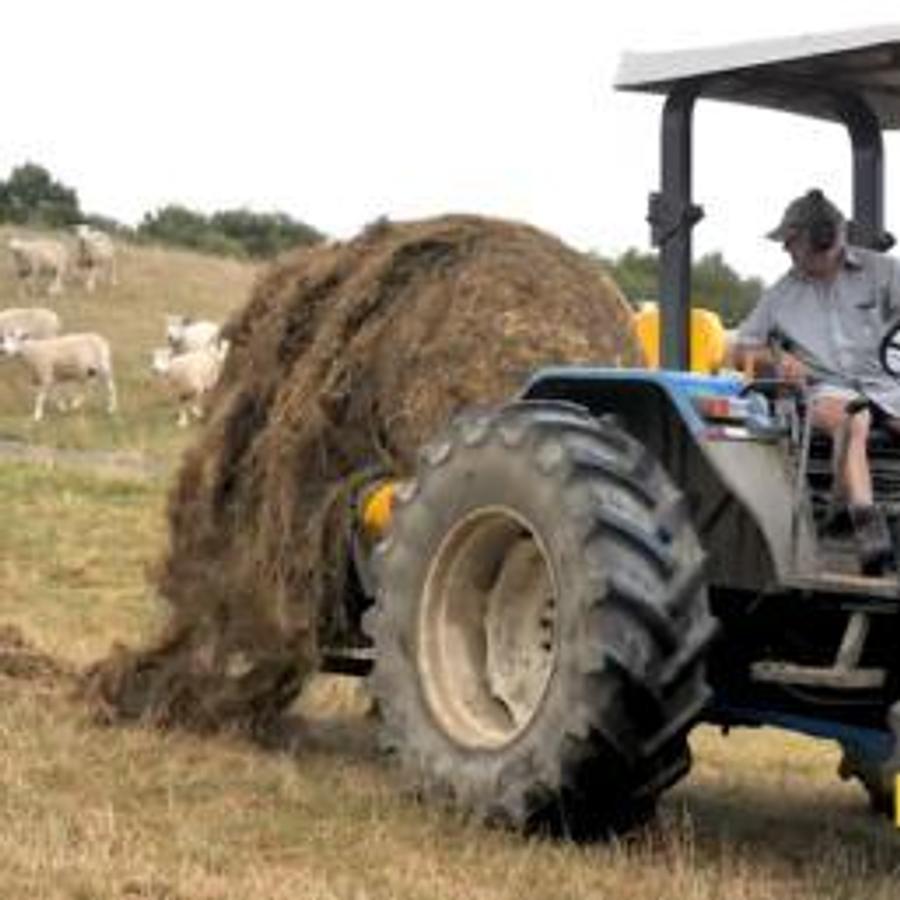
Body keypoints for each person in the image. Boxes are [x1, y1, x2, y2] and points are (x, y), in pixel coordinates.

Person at [733, 188, 900, 575]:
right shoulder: (781, 295)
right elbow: (741, 351)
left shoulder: (884, 272)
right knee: (852, 418)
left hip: (887, 384)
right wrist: (778, 358)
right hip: (827, 390)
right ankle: (869, 535)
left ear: (824, 239)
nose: (786, 251)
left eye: (791, 242)